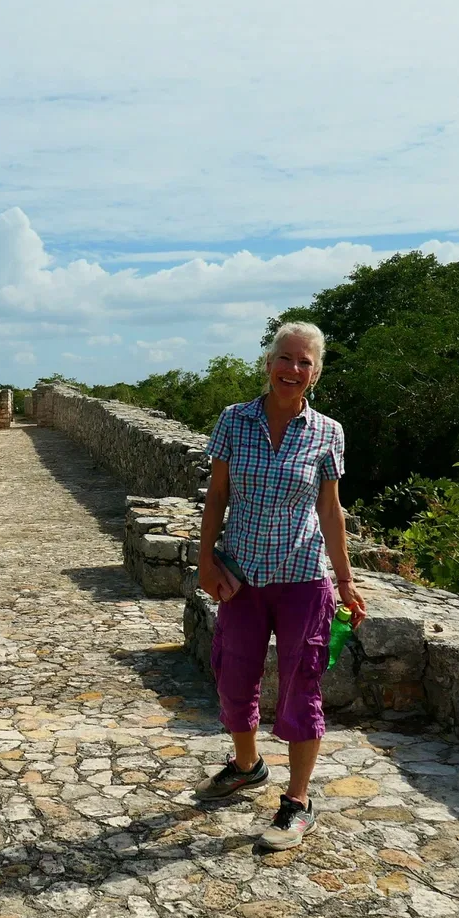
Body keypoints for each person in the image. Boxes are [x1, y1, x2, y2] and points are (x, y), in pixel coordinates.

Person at [192, 321, 366, 851]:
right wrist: (204, 559)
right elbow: (218, 494)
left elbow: (330, 509)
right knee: (232, 675)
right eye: (286, 358)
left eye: (305, 362)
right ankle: (247, 767)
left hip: (303, 575)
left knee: (301, 684)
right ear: (268, 363)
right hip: (240, 574)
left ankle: (297, 802)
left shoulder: (327, 431)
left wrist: (346, 579)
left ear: (316, 373)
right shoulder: (233, 421)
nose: (294, 369)